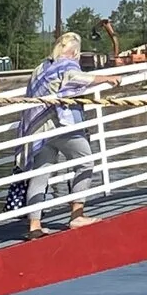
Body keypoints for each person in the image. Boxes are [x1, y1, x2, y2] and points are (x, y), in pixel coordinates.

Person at [18, 32, 101, 233]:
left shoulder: (41, 67)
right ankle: (77, 214)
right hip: (61, 125)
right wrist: (108, 78)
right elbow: (76, 79)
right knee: (85, 162)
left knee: (40, 175)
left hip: (39, 128)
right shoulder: (67, 63)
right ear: (74, 51)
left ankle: (34, 224)